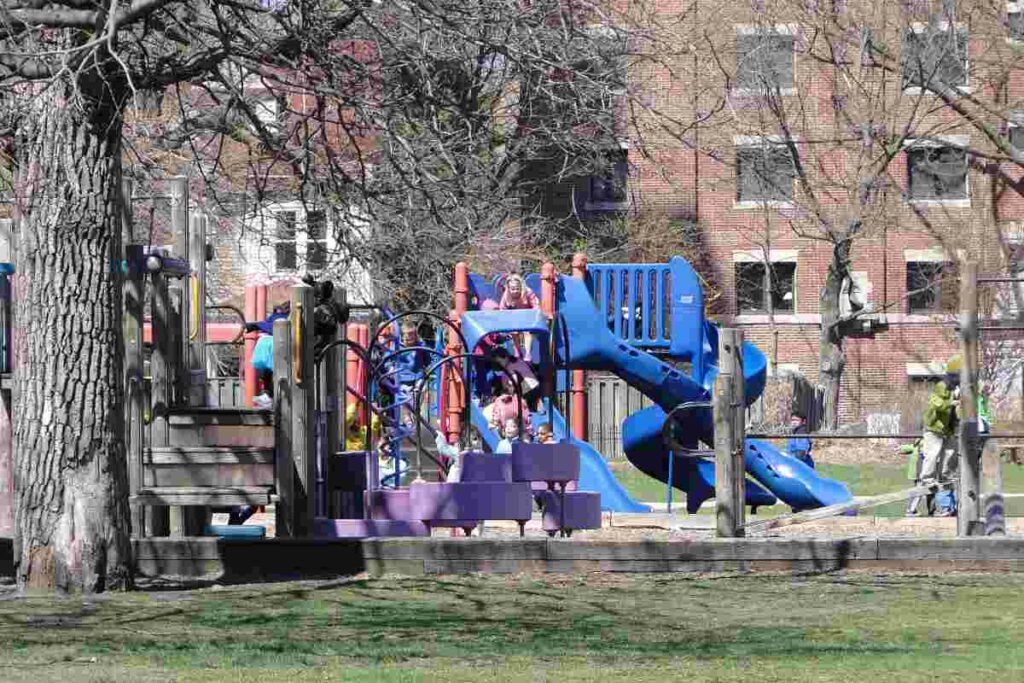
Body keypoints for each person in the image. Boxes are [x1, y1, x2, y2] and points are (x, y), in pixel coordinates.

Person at [919, 355, 962, 515]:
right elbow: (936, 404)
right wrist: (951, 403)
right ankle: (928, 479)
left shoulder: (957, 387)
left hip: (948, 429)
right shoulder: (942, 385)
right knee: (933, 453)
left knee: (950, 456)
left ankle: (947, 476)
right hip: (935, 428)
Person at [499, 274, 540, 359]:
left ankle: (528, 353)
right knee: (514, 332)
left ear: (521, 287)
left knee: (527, 331)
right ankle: (517, 350)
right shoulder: (506, 295)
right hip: (515, 317)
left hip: (528, 316)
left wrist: (534, 314)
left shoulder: (527, 292)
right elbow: (502, 309)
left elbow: (536, 305)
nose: (515, 291)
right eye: (513, 289)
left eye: (517, 288)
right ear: (509, 288)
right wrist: (505, 321)